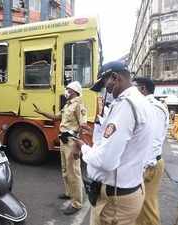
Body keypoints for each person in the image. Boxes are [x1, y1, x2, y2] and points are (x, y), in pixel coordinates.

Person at [73, 61, 154, 225]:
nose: (105, 91)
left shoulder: (126, 105)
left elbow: (106, 161)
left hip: (115, 201)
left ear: (115, 78)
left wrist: (84, 147)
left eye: (105, 85)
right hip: (129, 191)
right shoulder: (141, 101)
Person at [34, 81, 87, 215]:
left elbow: (83, 125)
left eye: (68, 90)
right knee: (65, 169)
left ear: (74, 91)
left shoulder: (79, 104)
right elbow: (56, 117)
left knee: (74, 172)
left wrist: (78, 146)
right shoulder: (67, 105)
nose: (66, 92)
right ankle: (69, 193)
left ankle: (77, 203)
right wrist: (41, 112)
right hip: (63, 140)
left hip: (71, 141)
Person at [133, 77, 169, 225]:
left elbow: (153, 140)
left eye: (134, 87)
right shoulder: (147, 105)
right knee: (141, 205)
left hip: (150, 163)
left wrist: (146, 166)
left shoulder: (152, 107)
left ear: (142, 89)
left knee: (147, 206)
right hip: (148, 162)